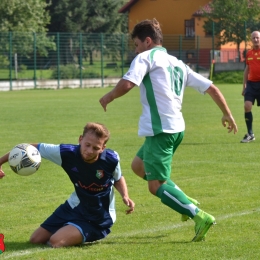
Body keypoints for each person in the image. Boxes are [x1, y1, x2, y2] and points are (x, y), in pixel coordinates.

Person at [99, 18, 238, 242]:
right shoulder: (177, 62)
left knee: (155, 186)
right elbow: (211, 87)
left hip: (160, 131)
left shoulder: (145, 57)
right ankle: (184, 201)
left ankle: (197, 215)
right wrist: (227, 113)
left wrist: (109, 96)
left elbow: (128, 83)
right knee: (138, 166)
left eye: (136, 44)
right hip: (175, 129)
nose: (135, 50)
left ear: (147, 41)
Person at [0, 122, 135, 248]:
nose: (89, 150)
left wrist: (125, 195)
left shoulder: (111, 159)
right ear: (80, 139)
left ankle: (86, 231)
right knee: (35, 239)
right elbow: (28, 148)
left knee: (55, 241)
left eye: (95, 148)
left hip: (98, 217)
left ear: (103, 148)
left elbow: (117, 178)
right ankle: (71, 228)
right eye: (87, 145)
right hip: (74, 206)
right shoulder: (66, 153)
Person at [241, 31, 260, 143]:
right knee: (247, 106)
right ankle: (250, 134)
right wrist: (244, 86)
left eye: (257, 38)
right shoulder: (249, 53)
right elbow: (246, 70)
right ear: (251, 40)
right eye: (254, 38)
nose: (256, 40)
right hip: (251, 84)